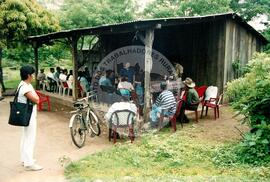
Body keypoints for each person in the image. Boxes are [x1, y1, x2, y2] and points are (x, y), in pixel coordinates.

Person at [18, 65, 43, 171]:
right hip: (28, 115)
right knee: (30, 138)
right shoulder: (25, 87)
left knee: (25, 137)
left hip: (26, 114)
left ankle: (25, 159)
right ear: (28, 75)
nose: (33, 76)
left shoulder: (24, 84)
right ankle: (29, 163)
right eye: (32, 74)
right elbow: (37, 99)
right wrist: (36, 95)